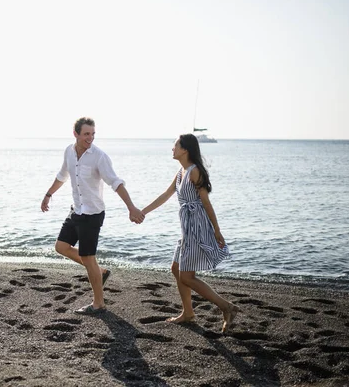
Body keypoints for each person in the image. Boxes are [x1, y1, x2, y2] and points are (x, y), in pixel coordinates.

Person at [41, 117, 145, 315]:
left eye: (93, 134)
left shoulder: (99, 156)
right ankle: (101, 272)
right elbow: (62, 176)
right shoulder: (69, 152)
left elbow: (115, 183)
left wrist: (131, 207)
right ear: (76, 134)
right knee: (61, 247)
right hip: (76, 210)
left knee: (88, 258)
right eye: (86, 134)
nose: (90, 138)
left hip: (92, 214)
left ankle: (98, 304)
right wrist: (48, 195)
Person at [142, 133, 239, 332]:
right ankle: (188, 313)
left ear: (185, 149)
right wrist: (143, 212)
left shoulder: (195, 172)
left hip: (196, 227)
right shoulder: (180, 172)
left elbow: (206, 202)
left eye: (175, 145)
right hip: (187, 228)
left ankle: (227, 307)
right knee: (176, 268)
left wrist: (217, 230)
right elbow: (165, 196)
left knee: (186, 276)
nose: (172, 148)